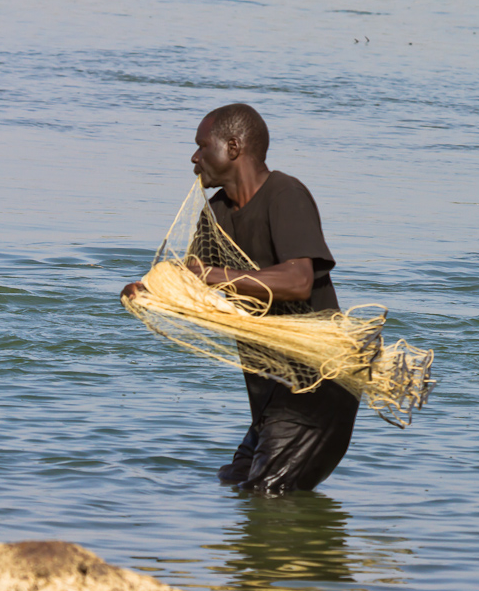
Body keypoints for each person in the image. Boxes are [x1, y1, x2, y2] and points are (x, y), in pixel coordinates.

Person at [121, 104, 358, 492]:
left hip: (317, 383)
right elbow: (193, 286)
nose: (194, 157)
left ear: (233, 147)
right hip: (271, 393)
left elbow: (298, 280)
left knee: (267, 498)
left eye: (202, 146)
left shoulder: (286, 194)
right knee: (235, 484)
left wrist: (211, 276)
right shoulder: (214, 214)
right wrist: (147, 293)